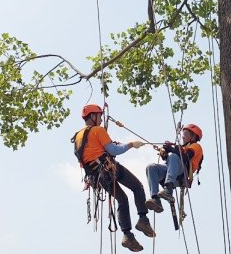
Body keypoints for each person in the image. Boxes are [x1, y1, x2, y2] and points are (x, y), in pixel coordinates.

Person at [72, 104, 155, 252]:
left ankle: (127, 235)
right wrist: (131, 144)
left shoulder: (78, 136)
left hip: (97, 176)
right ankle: (143, 219)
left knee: (122, 200)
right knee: (137, 187)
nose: (101, 119)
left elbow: (92, 151)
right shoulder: (98, 130)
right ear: (93, 116)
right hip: (108, 168)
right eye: (99, 116)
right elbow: (113, 150)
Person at [145, 124, 204, 213]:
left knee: (173, 156)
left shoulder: (196, 146)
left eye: (186, 134)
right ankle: (156, 200)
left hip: (183, 174)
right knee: (151, 167)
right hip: (173, 173)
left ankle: (168, 190)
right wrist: (165, 155)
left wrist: (172, 149)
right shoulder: (182, 147)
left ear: (194, 136)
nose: (183, 137)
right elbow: (172, 161)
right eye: (183, 134)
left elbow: (185, 157)